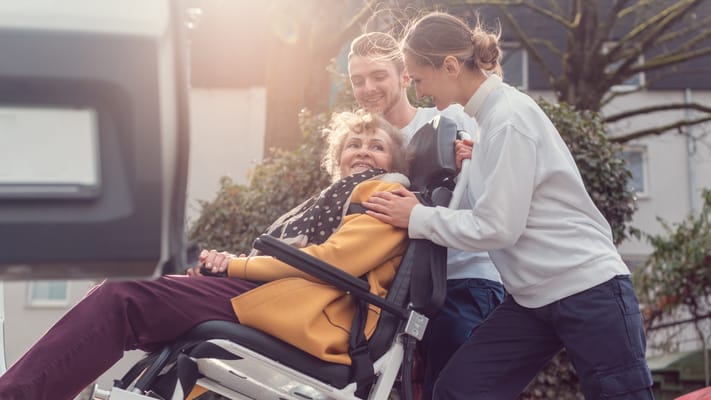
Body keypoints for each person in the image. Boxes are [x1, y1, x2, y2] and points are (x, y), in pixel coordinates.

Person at [0, 110, 411, 400]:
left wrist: (233, 265)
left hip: (310, 314)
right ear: (336, 158)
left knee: (125, 295)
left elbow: (333, 262)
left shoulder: (385, 192)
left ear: (394, 161)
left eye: (376, 146)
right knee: (136, 288)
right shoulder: (327, 199)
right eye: (353, 144)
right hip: (281, 298)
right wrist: (223, 267)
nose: (362, 151)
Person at [363, 12, 654, 400]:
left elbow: (498, 228)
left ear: (450, 66)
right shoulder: (488, 123)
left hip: (588, 289)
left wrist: (416, 217)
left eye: (418, 79)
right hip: (533, 300)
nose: (419, 92)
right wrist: (479, 157)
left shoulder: (507, 119)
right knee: (459, 390)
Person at [348, 31, 504, 400]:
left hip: (460, 281)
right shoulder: (364, 144)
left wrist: (476, 161)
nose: (367, 87)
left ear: (406, 77)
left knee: (452, 389)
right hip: (397, 295)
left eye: (378, 76)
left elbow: (489, 196)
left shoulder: (446, 119)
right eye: (358, 80)